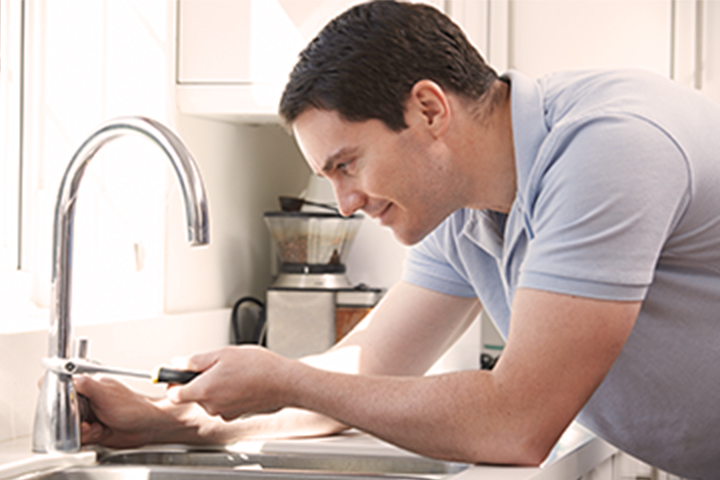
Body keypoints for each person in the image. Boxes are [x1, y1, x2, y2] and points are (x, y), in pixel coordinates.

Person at [75, 1, 720, 478]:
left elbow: (518, 423)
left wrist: (288, 380)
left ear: (429, 110)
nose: (346, 204)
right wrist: (177, 420)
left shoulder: (608, 144)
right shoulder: (464, 209)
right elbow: (362, 375)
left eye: (346, 164)